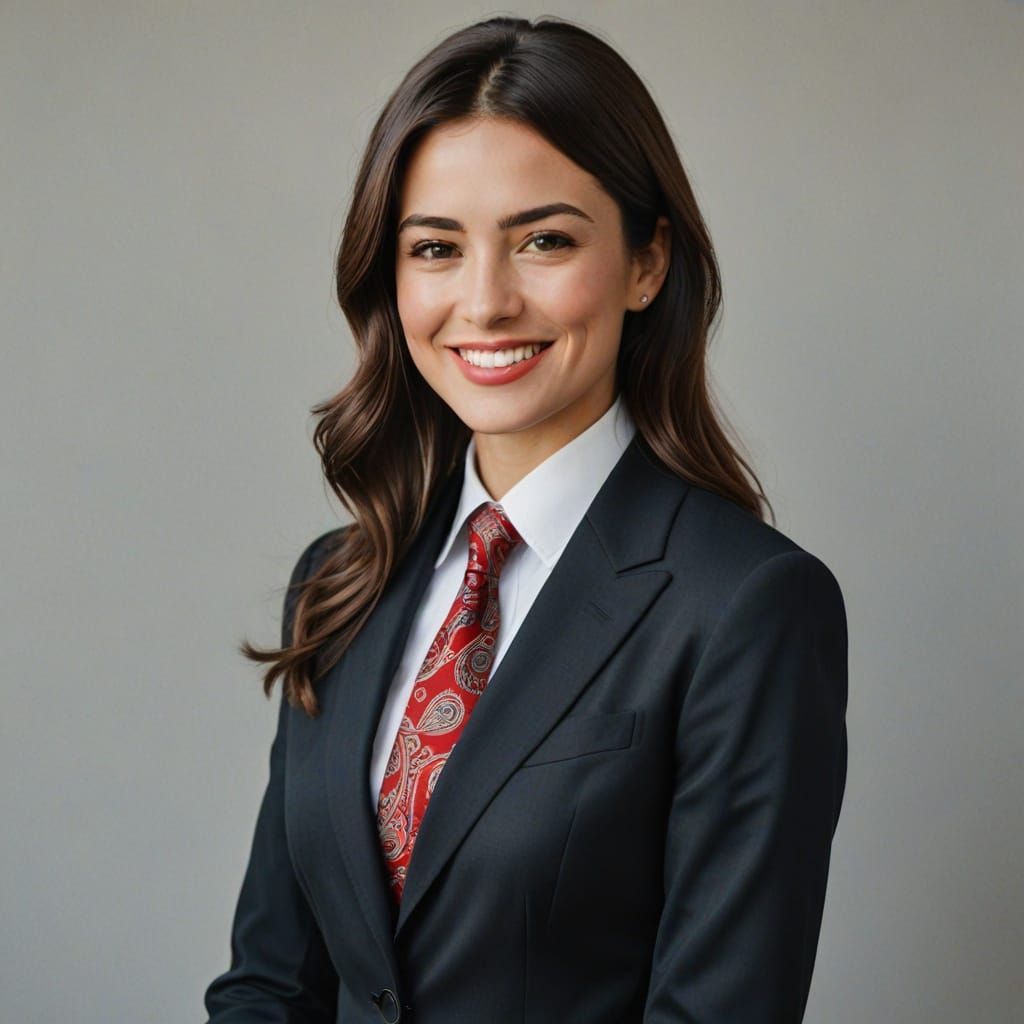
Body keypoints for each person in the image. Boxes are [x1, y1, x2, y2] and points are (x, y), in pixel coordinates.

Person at [203, 14, 848, 1024]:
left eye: (543, 239)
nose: (485, 300)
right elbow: (271, 982)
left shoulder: (745, 606)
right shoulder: (339, 579)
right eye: (435, 248)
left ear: (647, 262)